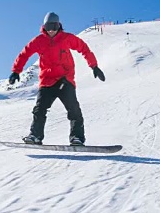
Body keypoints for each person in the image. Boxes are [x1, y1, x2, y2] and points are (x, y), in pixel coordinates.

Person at [9, 12, 105, 146]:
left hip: (65, 79)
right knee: (39, 109)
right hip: (47, 81)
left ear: (59, 25)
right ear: (44, 27)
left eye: (54, 26)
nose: (51, 30)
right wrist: (16, 71)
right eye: (48, 27)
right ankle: (35, 136)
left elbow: (84, 49)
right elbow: (24, 54)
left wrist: (94, 66)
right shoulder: (39, 41)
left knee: (74, 109)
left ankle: (77, 138)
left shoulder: (67, 38)